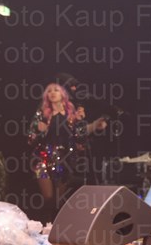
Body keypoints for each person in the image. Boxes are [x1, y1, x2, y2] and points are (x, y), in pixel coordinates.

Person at [27, 82, 107, 219]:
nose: (52, 93)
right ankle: (46, 223)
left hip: (65, 158)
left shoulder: (72, 114)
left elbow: (80, 134)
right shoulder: (42, 113)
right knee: (48, 197)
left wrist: (95, 125)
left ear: (63, 94)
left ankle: (56, 225)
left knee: (59, 200)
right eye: (49, 91)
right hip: (43, 157)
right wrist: (40, 131)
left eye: (56, 90)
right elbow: (30, 137)